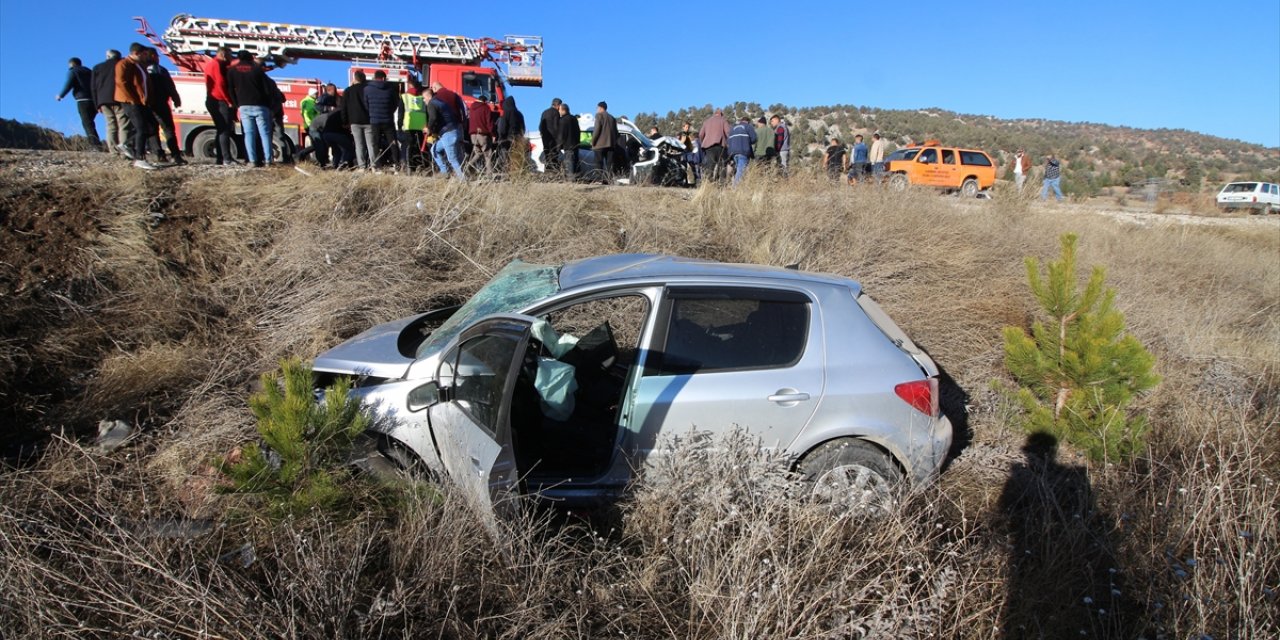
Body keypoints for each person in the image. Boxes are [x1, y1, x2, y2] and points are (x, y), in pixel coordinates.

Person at [225, 50, 274, 167]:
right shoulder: (257, 69)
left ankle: (252, 160)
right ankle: (268, 160)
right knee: (265, 134)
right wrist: (269, 105)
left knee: (248, 134)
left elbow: (230, 90)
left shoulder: (232, 71)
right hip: (260, 105)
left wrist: (236, 104)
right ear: (250, 58)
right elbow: (266, 89)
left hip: (244, 106)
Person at [114, 43, 156, 170]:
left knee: (152, 127)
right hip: (130, 102)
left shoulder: (139, 66)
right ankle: (139, 158)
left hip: (141, 102)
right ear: (136, 53)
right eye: (144, 54)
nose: (146, 57)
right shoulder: (123, 64)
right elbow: (121, 82)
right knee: (141, 128)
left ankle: (127, 144)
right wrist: (131, 98)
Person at [144, 48, 185, 164]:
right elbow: (170, 86)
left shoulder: (141, 69)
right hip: (161, 103)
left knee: (153, 130)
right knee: (168, 129)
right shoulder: (160, 70)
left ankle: (159, 155)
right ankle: (176, 155)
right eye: (157, 56)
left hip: (147, 104)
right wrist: (176, 98)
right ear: (153, 56)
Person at [56, 57, 100, 148]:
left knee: (87, 123)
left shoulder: (73, 71)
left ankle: (95, 145)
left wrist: (61, 95)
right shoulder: (90, 72)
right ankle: (96, 143)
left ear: (71, 64)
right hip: (95, 100)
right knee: (90, 122)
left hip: (82, 99)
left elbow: (69, 84)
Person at [94, 50, 130, 157]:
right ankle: (124, 150)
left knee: (110, 125)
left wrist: (97, 103)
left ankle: (113, 151)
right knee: (123, 125)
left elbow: (93, 87)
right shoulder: (123, 65)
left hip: (103, 100)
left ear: (107, 56)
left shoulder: (97, 67)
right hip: (120, 98)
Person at [362, 70, 401, 169]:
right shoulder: (390, 89)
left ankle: (377, 166)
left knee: (375, 143)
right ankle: (396, 164)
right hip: (388, 120)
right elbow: (395, 104)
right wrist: (389, 112)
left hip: (374, 120)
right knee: (392, 142)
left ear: (375, 77)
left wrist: (372, 113)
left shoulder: (367, 89)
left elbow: (366, 105)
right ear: (384, 78)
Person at [202, 47, 234, 165]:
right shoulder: (216, 64)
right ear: (224, 54)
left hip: (213, 100)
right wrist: (228, 100)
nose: (231, 58)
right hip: (219, 100)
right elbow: (220, 83)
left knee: (221, 130)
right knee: (224, 129)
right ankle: (226, 158)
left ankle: (221, 158)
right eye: (230, 55)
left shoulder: (212, 64)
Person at [426, 84, 465, 179]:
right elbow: (463, 111)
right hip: (456, 129)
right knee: (434, 149)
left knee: (452, 159)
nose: (423, 100)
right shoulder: (452, 96)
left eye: (424, 98)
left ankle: (463, 181)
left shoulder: (433, 102)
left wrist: (429, 129)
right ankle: (445, 172)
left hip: (448, 133)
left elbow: (433, 118)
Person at [342, 71, 372, 170]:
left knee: (359, 145)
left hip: (354, 121)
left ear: (355, 79)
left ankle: (362, 167)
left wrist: (345, 121)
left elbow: (344, 107)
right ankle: (375, 166)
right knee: (371, 145)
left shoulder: (348, 91)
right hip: (368, 120)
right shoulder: (368, 89)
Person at [398, 83, 428, 172]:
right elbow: (427, 113)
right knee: (420, 147)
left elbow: (401, 114)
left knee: (408, 146)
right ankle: (422, 166)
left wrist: (400, 125)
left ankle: (409, 167)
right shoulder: (422, 98)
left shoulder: (404, 97)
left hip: (409, 125)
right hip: (421, 126)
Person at [495, 95, 527, 174]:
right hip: (518, 138)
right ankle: (516, 172)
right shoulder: (520, 114)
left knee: (505, 156)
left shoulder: (506, 113)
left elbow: (503, 127)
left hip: (507, 139)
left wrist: (501, 136)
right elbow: (523, 127)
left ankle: (506, 172)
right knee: (516, 157)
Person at [698, 109, 731, 183]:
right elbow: (728, 133)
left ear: (714, 114)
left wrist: (703, 142)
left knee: (710, 166)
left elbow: (700, 135)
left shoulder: (707, 121)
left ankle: (708, 184)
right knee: (722, 165)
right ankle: (722, 183)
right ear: (721, 114)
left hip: (709, 147)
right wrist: (728, 144)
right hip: (720, 146)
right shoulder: (723, 120)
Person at [591, 101, 619, 184]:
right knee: (609, 164)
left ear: (600, 107)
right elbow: (616, 132)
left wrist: (593, 141)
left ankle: (599, 180)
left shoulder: (599, 116)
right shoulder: (612, 118)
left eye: (597, 108)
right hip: (611, 145)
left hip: (599, 144)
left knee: (598, 163)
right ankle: (609, 179)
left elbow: (596, 130)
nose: (596, 110)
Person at [467, 95, 495, 174]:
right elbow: (489, 122)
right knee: (487, 154)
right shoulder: (485, 108)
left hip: (472, 134)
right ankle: (489, 173)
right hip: (483, 134)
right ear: (484, 101)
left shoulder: (471, 108)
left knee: (478, 153)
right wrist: (493, 134)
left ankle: (468, 166)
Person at [727, 116, 757, 186]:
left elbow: (728, 142)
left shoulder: (732, 128)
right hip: (743, 151)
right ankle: (736, 188)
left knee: (738, 169)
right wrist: (747, 141)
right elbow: (754, 139)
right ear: (748, 121)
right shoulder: (748, 127)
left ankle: (737, 186)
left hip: (733, 153)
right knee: (741, 171)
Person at [556, 102, 580, 181]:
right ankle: (577, 178)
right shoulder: (574, 119)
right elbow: (578, 132)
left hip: (568, 145)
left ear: (563, 110)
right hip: (576, 145)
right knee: (575, 162)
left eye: (559, 110)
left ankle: (571, 180)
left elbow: (561, 134)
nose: (558, 112)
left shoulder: (563, 120)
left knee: (569, 163)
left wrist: (558, 146)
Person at [539, 97, 562, 175]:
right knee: (554, 156)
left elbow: (540, 126)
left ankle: (547, 172)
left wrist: (543, 135)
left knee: (547, 156)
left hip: (545, 138)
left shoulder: (544, 112)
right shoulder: (555, 112)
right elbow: (556, 127)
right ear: (558, 105)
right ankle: (555, 173)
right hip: (553, 139)